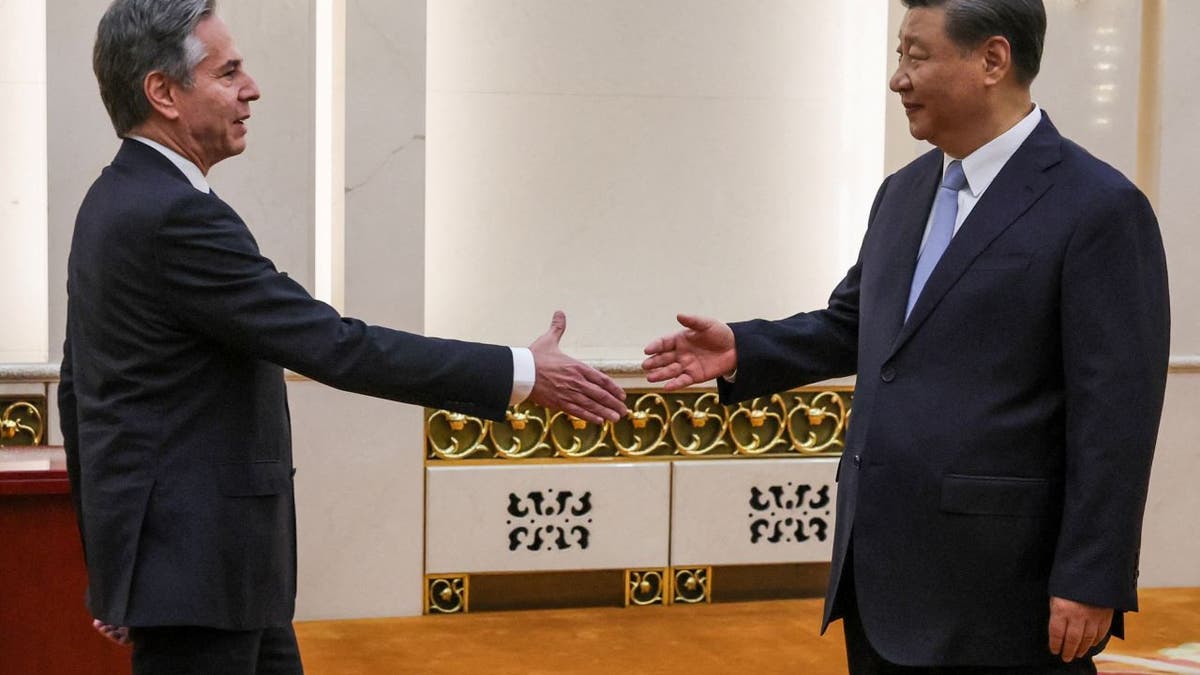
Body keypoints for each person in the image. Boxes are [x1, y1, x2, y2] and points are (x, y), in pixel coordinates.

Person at [60, 1, 628, 672]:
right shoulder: (172, 216)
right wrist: (521, 373)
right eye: (229, 72)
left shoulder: (114, 200)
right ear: (163, 93)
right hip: (201, 577)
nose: (253, 88)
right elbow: (334, 343)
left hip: (217, 577)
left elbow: (79, 393)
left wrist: (116, 565)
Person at [643, 0, 1169, 672]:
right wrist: (745, 349)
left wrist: (1093, 576)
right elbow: (855, 325)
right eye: (899, 54)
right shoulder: (903, 193)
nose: (898, 78)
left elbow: (1117, 416)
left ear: (993, 60)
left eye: (916, 55)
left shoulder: (1098, 207)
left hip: (1004, 589)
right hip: (879, 578)